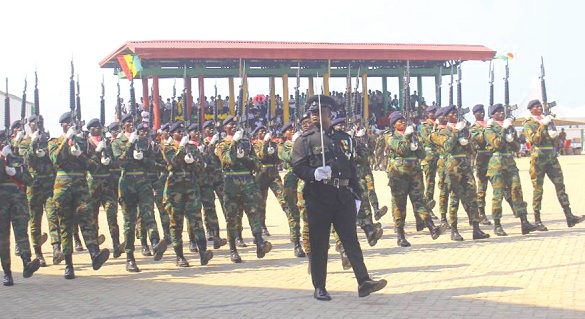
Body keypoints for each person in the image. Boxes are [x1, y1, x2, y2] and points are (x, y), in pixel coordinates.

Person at [292, 95, 386, 301]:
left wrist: (356, 195)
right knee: (319, 243)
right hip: (318, 196)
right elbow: (297, 167)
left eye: (321, 112)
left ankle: (364, 281)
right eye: (313, 113)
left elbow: (351, 167)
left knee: (351, 240)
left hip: (343, 196)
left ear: (330, 114)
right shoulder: (304, 140)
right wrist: (315, 173)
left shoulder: (343, 138)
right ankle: (320, 286)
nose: (316, 116)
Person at [48, 112, 110, 279]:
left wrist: (86, 154)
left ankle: (94, 254)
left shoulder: (83, 142)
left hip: (81, 186)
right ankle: (68, 264)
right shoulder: (54, 142)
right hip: (62, 187)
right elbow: (55, 160)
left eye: (72, 123)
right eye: (67, 123)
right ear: (62, 125)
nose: (70, 126)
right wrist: (65, 143)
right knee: (65, 224)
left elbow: (93, 167)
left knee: (87, 219)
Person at [111, 114, 167, 272]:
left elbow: (152, 165)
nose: (130, 124)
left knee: (148, 214)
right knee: (129, 223)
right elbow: (120, 162)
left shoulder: (145, 142)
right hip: (127, 182)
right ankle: (130, 258)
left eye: (132, 122)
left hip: (143, 181)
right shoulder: (117, 142)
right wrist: (130, 145)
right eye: (127, 122)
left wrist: (142, 159)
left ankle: (155, 242)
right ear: (123, 125)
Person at [215, 116, 273, 263]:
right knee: (232, 218)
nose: (233, 127)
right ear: (225, 128)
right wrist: (234, 144)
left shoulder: (247, 143)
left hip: (248, 182)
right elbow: (228, 160)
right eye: (230, 125)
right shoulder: (222, 144)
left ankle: (260, 242)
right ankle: (233, 249)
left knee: (254, 213)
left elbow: (257, 164)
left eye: (235, 125)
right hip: (231, 183)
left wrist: (246, 158)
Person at [384, 112, 445, 247]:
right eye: (399, 121)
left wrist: (414, 142)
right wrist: (407, 137)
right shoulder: (390, 136)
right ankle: (400, 235)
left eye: (404, 121)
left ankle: (431, 227)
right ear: (394, 124)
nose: (403, 123)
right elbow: (402, 149)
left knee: (419, 201)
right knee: (400, 205)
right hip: (399, 174)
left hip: (415, 173)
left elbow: (422, 153)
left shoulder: (413, 135)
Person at [523, 100, 585, 228]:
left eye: (540, 106)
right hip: (538, 159)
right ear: (531, 110)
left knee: (560, 186)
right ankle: (537, 219)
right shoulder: (528, 124)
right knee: (538, 189)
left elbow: (554, 141)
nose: (539, 108)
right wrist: (543, 125)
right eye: (536, 106)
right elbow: (535, 139)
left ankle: (569, 215)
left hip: (551, 158)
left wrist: (554, 134)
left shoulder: (548, 120)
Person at [162, 122, 213, 267]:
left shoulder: (192, 148)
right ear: (172, 134)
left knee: (196, 222)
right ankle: (179, 256)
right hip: (175, 190)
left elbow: (200, 168)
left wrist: (192, 163)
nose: (181, 133)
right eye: (177, 131)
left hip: (191, 189)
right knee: (176, 224)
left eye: (182, 131)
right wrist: (181, 151)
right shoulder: (168, 147)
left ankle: (203, 252)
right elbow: (173, 163)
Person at [483, 104, 537, 235]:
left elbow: (517, 147)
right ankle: (497, 224)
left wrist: (511, 138)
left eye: (502, 112)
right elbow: (496, 144)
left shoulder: (509, 126)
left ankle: (524, 222)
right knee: (498, 195)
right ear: (492, 115)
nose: (501, 114)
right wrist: (503, 130)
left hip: (510, 164)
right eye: (498, 112)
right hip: (497, 165)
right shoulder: (489, 129)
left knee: (517, 191)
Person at [1, 129, 41, 286]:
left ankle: (27, 263)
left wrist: (16, 173)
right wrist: (2, 159)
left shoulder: (17, 158)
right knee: (3, 239)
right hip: (1, 202)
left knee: (21, 234)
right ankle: (7, 272)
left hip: (18, 200)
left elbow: (29, 180)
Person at [18, 115, 58, 267]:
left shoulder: (48, 141)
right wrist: (33, 143)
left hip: (48, 184)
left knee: (53, 216)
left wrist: (45, 149)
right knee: (35, 220)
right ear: (29, 125)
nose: (38, 125)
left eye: (40, 122)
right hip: (33, 186)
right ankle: (38, 253)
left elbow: (55, 159)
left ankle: (56, 248)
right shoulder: (24, 142)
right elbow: (26, 160)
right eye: (35, 123)